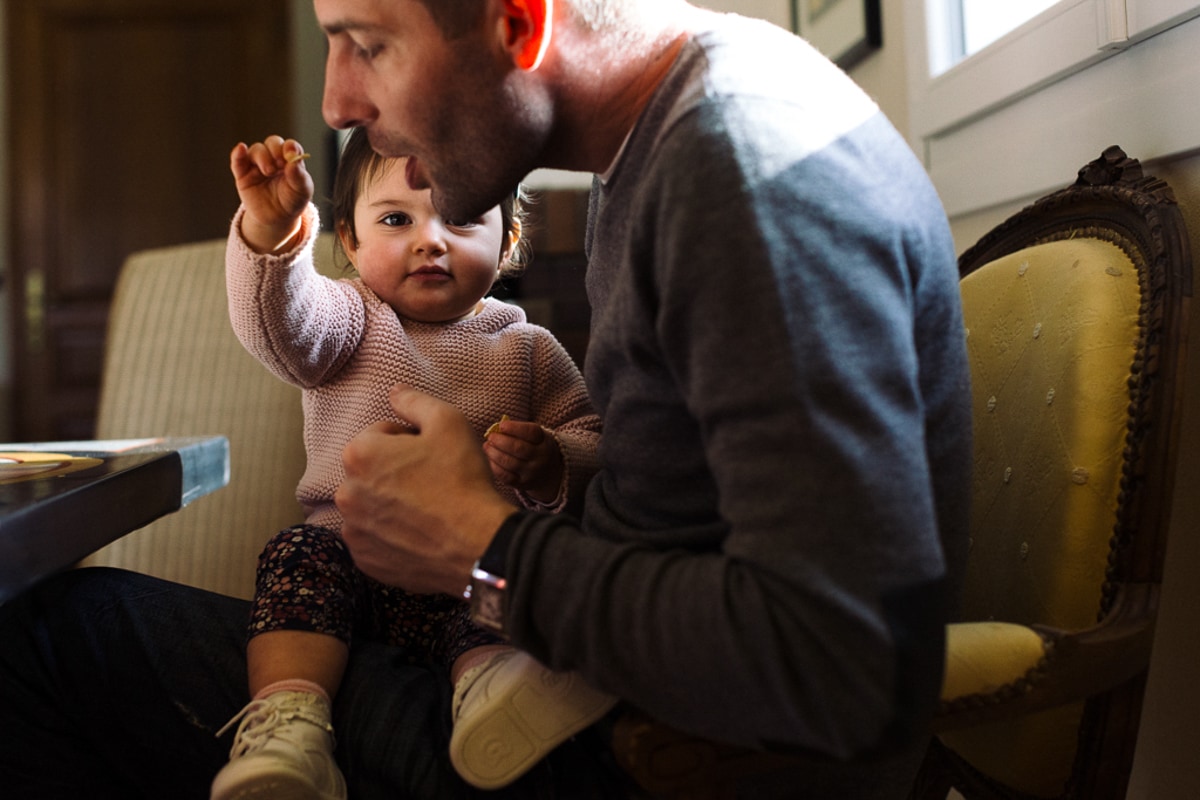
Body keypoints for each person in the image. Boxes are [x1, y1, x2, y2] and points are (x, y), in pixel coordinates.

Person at [0, 1, 972, 798]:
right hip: (577, 683)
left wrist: (485, 547)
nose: (337, 99)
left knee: (33, 638)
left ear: (520, 23)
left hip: (628, 756)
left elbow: (848, 669)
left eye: (367, 43)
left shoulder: (743, 174)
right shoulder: (672, 141)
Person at [211, 126, 614, 800]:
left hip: (467, 568)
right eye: (396, 219)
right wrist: (273, 236)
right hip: (348, 562)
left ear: (508, 240)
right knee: (294, 555)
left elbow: (595, 444)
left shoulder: (529, 349)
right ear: (351, 242)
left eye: (460, 217)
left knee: (511, 589)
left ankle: (492, 696)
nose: (431, 238)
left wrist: (552, 462)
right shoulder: (350, 318)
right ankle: (289, 724)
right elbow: (282, 325)